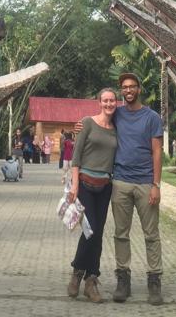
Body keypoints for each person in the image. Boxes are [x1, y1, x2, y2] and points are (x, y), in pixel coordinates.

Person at [111, 72, 164, 305]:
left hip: (145, 183)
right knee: (120, 234)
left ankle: (154, 280)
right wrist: (82, 125)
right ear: (121, 90)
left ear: (139, 89)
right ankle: (123, 279)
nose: (128, 90)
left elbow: (157, 151)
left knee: (151, 235)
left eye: (132, 86)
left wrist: (156, 185)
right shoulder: (117, 114)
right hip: (120, 181)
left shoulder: (152, 117)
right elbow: (99, 120)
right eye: (124, 87)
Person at [66, 88, 118, 303]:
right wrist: (75, 186)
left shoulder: (117, 128)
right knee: (91, 230)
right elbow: (76, 157)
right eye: (105, 100)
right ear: (99, 102)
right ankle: (78, 272)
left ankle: (90, 280)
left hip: (105, 186)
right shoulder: (87, 123)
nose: (108, 104)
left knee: (97, 232)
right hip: (85, 184)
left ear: (116, 103)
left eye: (112, 100)